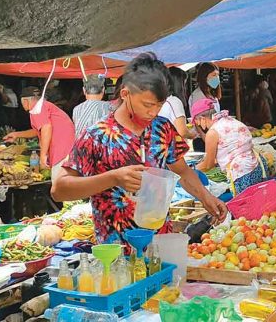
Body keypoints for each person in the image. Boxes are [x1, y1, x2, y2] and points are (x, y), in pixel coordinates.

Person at [51, 53, 227, 245]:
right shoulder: (97, 135)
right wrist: (113, 178)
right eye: (147, 105)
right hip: (116, 251)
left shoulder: (162, 128)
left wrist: (207, 197)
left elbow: (183, 172)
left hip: (160, 245)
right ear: (125, 94)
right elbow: (59, 190)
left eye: (159, 106)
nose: (153, 112)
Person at [193, 98, 267, 195]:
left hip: (242, 173)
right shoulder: (230, 120)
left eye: (197, 122)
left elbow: (208, 165)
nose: (198, 125)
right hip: (257, 165)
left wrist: (191, 170)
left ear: (203, 119)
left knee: (245, 206)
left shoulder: (212, 133)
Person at [4, 86, 75, 180]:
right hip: (67, 149)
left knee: (60, 186)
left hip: (62, 151)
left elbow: (46, 127)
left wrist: (43, 155)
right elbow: (38, 130)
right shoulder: (43, 106)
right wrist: (17, 135)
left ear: (25, 101)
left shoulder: (38, 108)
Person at [158, 67, 195, 139]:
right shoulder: (174, 101)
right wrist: (194, 134)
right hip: (172, 145)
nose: (185, 87)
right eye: (184, 83)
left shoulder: (162, 100)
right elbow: (183, 132)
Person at [72, 74, 111, 139]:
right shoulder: (109, 107)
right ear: (103, 90)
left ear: (84, 90)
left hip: (80, 147)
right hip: (101, 148)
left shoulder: (76, 109)